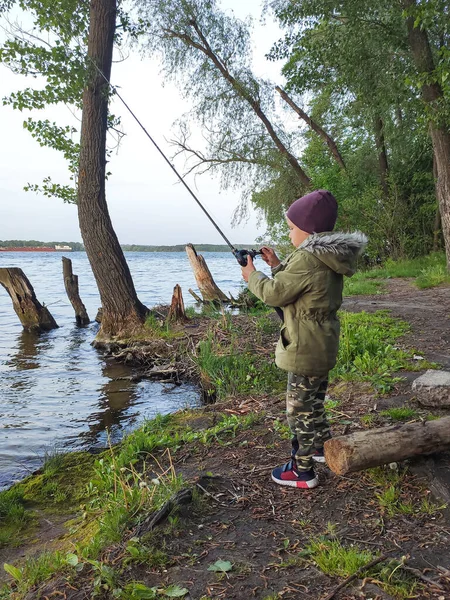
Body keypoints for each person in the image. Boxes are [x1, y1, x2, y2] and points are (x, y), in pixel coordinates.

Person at [241, 190, 367, 489]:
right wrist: (276, 265)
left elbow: (275, 293)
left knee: (299, 409)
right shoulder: (326, 256)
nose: (289, 232)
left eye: (291, 228)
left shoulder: (308, 258)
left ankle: (302, 470)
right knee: (314, 401)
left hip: (304, 346)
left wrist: (252, 276)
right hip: (321, 341)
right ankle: (323, 448)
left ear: (308, 231)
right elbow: (301, 285)